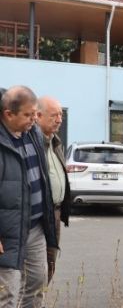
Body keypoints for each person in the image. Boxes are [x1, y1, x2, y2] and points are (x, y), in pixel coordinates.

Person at [0, 85, 58, 308]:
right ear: (8, 114)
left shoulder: (32, 132)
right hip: (8, 232)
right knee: (7, 292)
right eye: (27, 115)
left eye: (35, 114)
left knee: (36, 281)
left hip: (35, 225)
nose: (33, 120)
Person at [36, 96, 71, 284]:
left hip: (55, 213)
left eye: (61, 115)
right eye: (54, 115)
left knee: (50, 261)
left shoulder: (55, 142)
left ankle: (38, 305)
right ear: (37, 116)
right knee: (36, 267)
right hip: (39, 215)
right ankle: (29, 307)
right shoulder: (32, 144)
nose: (59, 120)